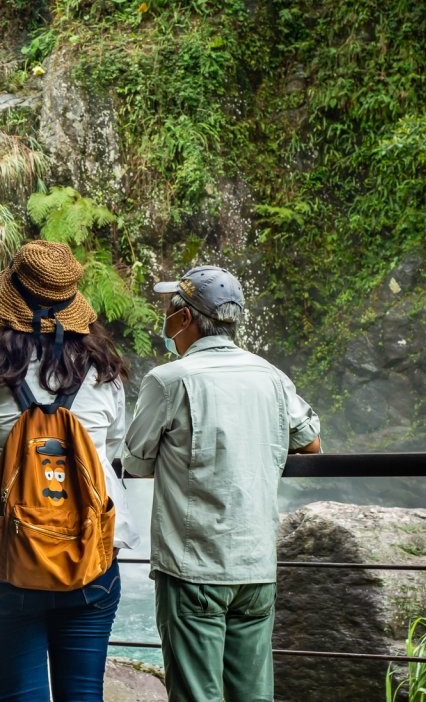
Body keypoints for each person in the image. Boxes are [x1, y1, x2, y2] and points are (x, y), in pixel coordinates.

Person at [0, 240, 138, 701]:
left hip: (2, 560)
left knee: (18, 695)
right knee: (84, 695)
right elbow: (109, 446)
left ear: (7, 301)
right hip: (89, 556)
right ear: (74, 307)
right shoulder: (105, 371)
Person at [120, 265, 321, 702]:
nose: (166, 320)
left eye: (170, 310)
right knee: (253, 695)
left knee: (197, 695)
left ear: (186, 318)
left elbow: (134, 462)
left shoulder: (169, 380)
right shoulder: (271, 376)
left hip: (193, 569)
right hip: (256, 567)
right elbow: (311, 443)